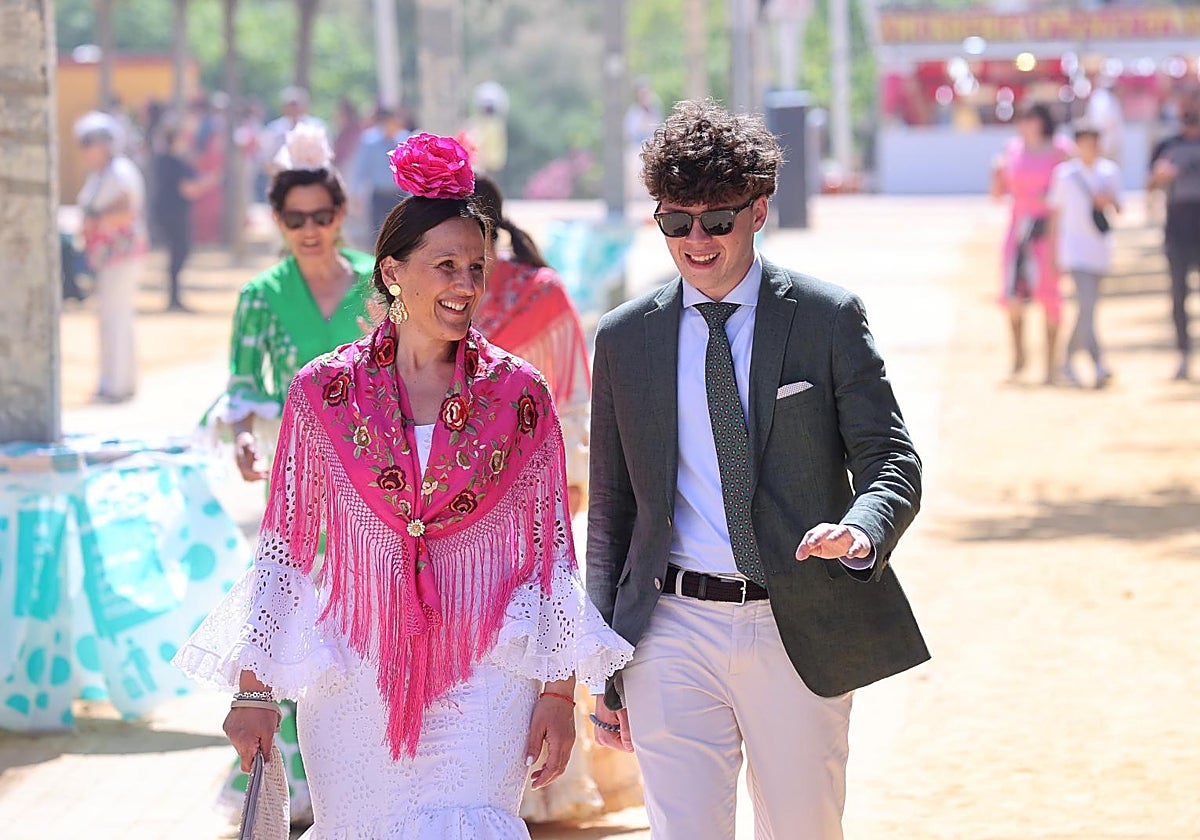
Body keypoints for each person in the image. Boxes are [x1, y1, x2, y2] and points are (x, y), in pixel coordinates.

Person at [175, 132, 632, 838]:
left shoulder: (520, 395)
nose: (464, 285)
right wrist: (256, 692)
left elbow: (550, 555)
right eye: (444, 265)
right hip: (353, 675)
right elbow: (285, 551)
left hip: (488, 677)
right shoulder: (322, 392)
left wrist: (557, 692)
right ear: (392, 272)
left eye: (475, 267)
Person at [587, 100, 928, 839]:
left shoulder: (826, 317)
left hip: (796, 620)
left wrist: (861, 533)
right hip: (669, 630)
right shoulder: (623, 339)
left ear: (760, 208)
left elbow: (891, 457)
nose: (697, 240)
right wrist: (603, 658)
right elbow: (612, 509)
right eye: (676, 222)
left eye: (718, 219)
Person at [201, 125, 375, 823]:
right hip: (298, 480)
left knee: (362, 614)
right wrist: (244, 440)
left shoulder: (379, 279)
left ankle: (360, 763)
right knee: (294, 614)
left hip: (376, 478)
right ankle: (297, 784)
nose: (310, 229)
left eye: (322, 216)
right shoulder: (260, 297)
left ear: (341, 215)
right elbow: (242, 388)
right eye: (294, 218)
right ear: (277, 221)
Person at [471, 176, 589, 515]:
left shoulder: (540, 293)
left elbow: (572, 395)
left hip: (529, 491)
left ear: (487, 234)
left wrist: (573, 477)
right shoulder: (428, 298)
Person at [990, 101, 1070, 384]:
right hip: (1018, 229)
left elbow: (1068, 193)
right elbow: (997, 194)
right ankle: (1019, 357)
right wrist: (996, 175)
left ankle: (1051, 363)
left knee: (1049, 295)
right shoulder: (1011, 150)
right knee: (1012, 294)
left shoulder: (1061, 150)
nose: (1025, 124)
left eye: (1030, 118)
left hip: (1047, 230)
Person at [75, 111, 149, 403]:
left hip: (121, 254)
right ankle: (120, 381)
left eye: (89, 142)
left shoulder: (119, 172)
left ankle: (115, 384)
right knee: (116, 316)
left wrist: (95, 220)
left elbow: (126, 211)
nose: (84, 149)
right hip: (108, 256)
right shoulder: (104, 174)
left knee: (114, 317)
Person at [1048, 123, 1121, 388]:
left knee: (1087, 310)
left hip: (1100, 250)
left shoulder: (1109, 172)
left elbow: (1119, 208)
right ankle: (1098, 363)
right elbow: (1055, 215)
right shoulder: (1065, 175)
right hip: (1074, 251)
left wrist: (1107, 200)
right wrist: (1053, 254)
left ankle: (1067, 360)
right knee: (1087, 307)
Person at [1147, 88, 1200, 381]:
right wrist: (1159, 176)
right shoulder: (1166, 145)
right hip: (1178, 230)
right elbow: (1149, 185)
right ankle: (1183, 355)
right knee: (1179, 296)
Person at [151, 120, 215, 311]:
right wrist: (207, 183)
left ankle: (173, 297)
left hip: (164, 211)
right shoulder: (177, 162)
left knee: (176, 254)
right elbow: (188, 189)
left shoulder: (162, 160)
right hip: (175, 212)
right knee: (179, 253)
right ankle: (174, 298)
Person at [350, 105, 412, 239]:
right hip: (379, 194)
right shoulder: (370, 141)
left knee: (399, 232)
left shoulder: (405, 140)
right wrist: (356, 193)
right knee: (377, 233)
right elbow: (361, 168)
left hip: (399, 195)